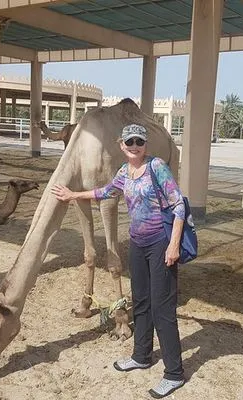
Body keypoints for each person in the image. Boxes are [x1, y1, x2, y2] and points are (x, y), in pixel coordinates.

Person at [51, 123, 186, 399]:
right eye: (129, 142)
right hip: (137, 244)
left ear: (144, 144)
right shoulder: (125, 171)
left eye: (139, 141)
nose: (134, 146)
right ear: (121, 145)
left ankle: (174, 373)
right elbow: (105, 192)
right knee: (142, 301)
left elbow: (179, 204)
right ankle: (141, 355)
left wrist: (173, 245)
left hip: (160, 243)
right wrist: (73, 195)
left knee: (162, 307)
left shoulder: (156, 166)